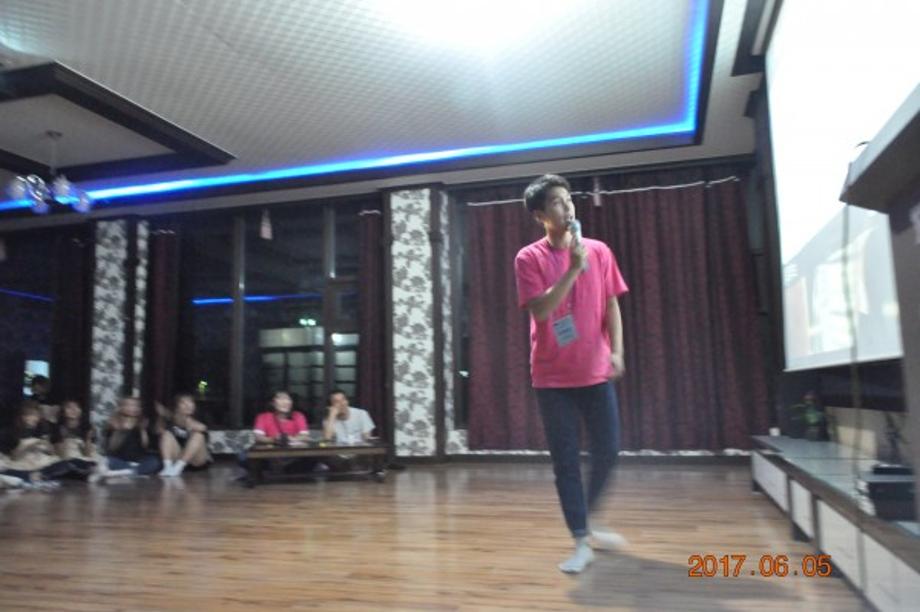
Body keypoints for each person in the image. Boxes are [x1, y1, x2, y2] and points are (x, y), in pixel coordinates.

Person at [514, 173, 629, 573]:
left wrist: (617, 351)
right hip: (552, 379)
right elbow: (542, 311)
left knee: (608, 450)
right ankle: (581, 540)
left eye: (569, 200)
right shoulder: (528, 258)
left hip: (595, 370)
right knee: (565, 462)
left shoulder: (599, 250)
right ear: (540, 216)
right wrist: (572, 270)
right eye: (557, 203)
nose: (568, 208)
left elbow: (611, 304)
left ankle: (588, 516)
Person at [101, 397, 161, 476]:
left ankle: (130, 471)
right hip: (120, 460)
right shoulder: (114, 422)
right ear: (121, 407)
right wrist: (119, 431)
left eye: (135, 405)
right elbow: (112, 447)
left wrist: (142, 430)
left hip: (139, 461)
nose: (132, 408)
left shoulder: (143, 422)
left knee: (155, 461)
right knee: (106, 461)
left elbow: (145, 446)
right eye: (128, 405)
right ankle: (135, 471)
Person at [157, 393, 211, 477]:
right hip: (178, 456)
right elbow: (158, 431)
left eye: (190, 402)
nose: (188, 405)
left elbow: (203, 428)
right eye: (183, 403)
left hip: (197, 460)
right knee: (166, 434)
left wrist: (189, 424)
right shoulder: (171, 420)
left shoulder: (199, 417)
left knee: (198, 435)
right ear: (177, 407)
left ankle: (178, 468)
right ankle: (167, 467)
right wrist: (161, 416)